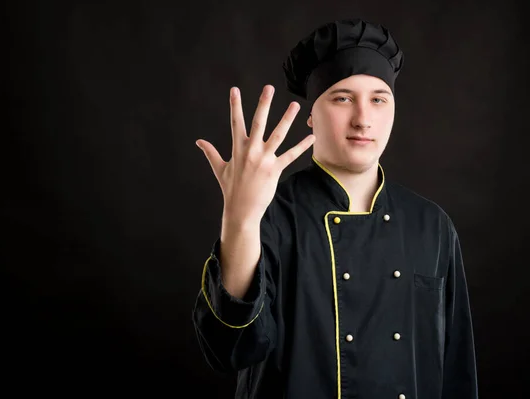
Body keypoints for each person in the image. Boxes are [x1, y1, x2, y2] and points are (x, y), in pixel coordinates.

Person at [192, 18, 478, 399]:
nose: (363, 119)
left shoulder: (432, 225)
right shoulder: (271, 214)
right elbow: (230, 350)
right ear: (311, 116)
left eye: (378, 99)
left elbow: (457, 369)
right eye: (342, 98)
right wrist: (240, 219)